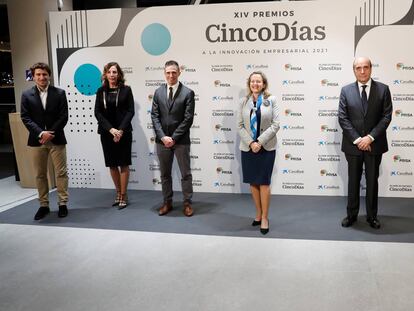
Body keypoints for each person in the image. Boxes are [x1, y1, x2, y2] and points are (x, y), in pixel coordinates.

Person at [338, 57, 392, 229]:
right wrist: (358, 139)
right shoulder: (346, 91)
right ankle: (351, 215)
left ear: (371, 69)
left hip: (374, 144)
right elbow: (343, 117)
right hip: (353, 145)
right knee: (353, 181)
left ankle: (372, 216)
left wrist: (370, 138)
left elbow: (386, 116)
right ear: (353, 70)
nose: (362, 71)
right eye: (358, 68)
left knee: (372, 181)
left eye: (365, 67)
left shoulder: (383, 90)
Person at [21, 62, 69, 220]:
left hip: (57, 139)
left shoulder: (60, 93)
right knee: (40, 175)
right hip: (37, 141)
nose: (42, 77)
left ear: (49, 76)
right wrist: (41, 133)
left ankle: (63, 204)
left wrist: (50, 133)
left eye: (44, 74)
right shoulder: (26, 95)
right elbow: (25, 117)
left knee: (61, 173)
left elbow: (63, 116)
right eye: (38, 75)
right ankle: (43, 205)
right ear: (33, 77)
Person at [151, 60, 195, 217]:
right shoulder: (158, 92)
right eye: (168, 72)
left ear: (179, 73)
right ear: (164, 73)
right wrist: (163, 137)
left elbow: (188, 119)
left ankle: (187, 203)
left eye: (174, 72)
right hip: (162, 141)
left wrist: (173, 138)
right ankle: (167, 202)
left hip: (181, 141)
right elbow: (154, 116)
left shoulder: (188, 93)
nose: (171, 75)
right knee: (164, 174)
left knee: (185, 174)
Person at [237, 71, 280, 235]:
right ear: (249, 84)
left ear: (264, 84)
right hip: (248, 148)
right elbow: (239, 125)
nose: (255, 84)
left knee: (264, 182)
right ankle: (258, 213)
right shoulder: (243, 101)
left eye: (258, 81)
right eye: (252, 81)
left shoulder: (271, 100)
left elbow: (276, 124)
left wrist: (259, 142)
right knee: (253, 183)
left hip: (266, 147)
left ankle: (265, 218)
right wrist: (251, 143)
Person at [94, 62, 135, 209]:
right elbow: (97, 112)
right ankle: (118, 193)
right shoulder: (100, 91)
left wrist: (120, 130)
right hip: (106, 133)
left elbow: (131, 111)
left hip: (124, 132)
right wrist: (111, 130)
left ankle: (124, 195)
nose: (112, 75)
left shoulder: (126, 90)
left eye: (115, 72)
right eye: (110, 72)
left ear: (119, 74)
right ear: (105, 74)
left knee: (124, 163)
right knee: (112, 164)